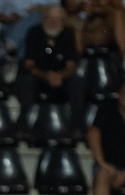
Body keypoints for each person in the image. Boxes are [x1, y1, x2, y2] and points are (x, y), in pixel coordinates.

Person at [16, 5, 84, 136]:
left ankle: (77, 127)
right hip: (38, 77)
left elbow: (71, 66)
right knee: (25, 80)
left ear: (64, 21)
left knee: (78, 82)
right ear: (43, 19)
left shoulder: (69, 34)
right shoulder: (34, 32)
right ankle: (23, 125)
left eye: (57, 19)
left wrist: (59, 76)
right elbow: (28, 64)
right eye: (49, 18)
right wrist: (46, 75)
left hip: (61, 79)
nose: (53, 22)